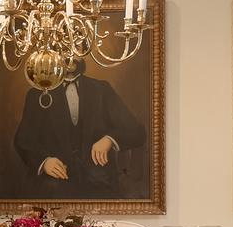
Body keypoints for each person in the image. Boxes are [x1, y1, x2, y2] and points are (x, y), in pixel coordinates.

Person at [11, 61, 147, 200]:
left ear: (83, 51)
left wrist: (109, 139)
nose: (70, 56)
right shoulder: (37, 94)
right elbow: (23, 140)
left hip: (101, 186)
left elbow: (137, 131)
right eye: (64, 48)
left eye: (76, 46)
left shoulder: (101, 90)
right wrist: (44, 162)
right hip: (56, 187)